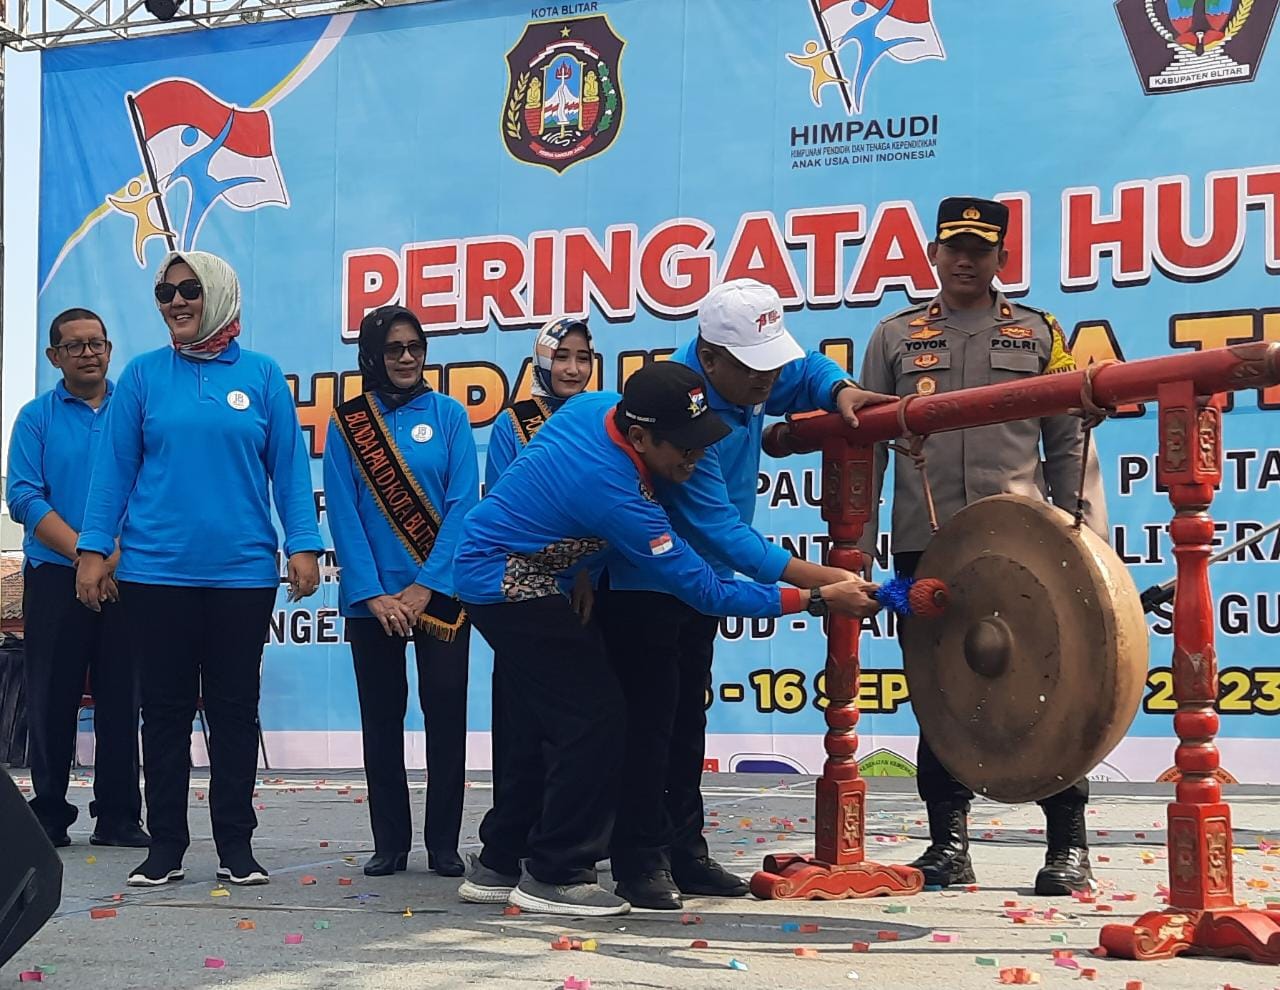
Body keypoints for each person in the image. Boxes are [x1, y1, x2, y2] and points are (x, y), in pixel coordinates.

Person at [453, 361, 882, 917]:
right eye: (683, 447)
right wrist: (819, 598)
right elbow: (708, 592)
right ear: (638, 437)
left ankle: (500, 863)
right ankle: (554, 874)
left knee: (553, 721)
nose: (695, 458)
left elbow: (538, 482)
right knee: (595, 718)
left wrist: (580, 565)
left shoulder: (592, 406)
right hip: (504, 583)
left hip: (535, 573)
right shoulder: (618, 495)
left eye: (701, 442)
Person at [595, 278, 895, 910]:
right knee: (648, 727)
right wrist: (825, 583)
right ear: (709, 358)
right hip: (647, 583)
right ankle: (638, 860)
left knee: (687, 723)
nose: (769, 383)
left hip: (702, 584)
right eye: (757, 370)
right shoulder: (683, 409)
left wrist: (840, 390)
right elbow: (726, 535)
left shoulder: (748, 370)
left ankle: (686, 852)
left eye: (771, 365)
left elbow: (804, 370)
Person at [858, 196, 1107, 896]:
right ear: (935, 255)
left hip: (1026, 549)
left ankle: (1067, 848)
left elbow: (1066, 440)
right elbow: (864, 444)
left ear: (1002, 259)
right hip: (922, 552)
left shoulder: (1037, 333)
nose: (966, 260)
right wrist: (857, 542)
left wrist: (1085, 534)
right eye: (953, 248)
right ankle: (947, 845)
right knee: (936, 689)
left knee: (1055, 686)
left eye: (981, 249)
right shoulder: (894, 337)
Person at [75, 250, 323, 888]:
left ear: (218, 294)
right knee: (162, 711)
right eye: (164, 293)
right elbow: (113, 472)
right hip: (155, 575)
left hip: (241, 575)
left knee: (236, 711)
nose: (176, 301)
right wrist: (93, 550)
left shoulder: (263, 376)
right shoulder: (142, 377)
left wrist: (302, 543)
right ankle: (166, 849)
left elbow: (289, 470)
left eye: (188, 289)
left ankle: (236, 847)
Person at [323, 305, 478, 879]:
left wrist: (423, 588)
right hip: (373, 602)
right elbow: (343, 512)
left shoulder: (450, 415)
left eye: (415, 346)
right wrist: (374, 593)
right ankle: (389, 842)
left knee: (446, 716)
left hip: (439, 595)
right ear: (372, 356)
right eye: (394, 349)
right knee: (381, 721)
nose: (407, 357)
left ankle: (443, 843)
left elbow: (464, 506)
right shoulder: (348, 423)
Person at [5, 308, 146, 849]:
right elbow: (23, 495)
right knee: (51, 699)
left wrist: (109, 557)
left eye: (97, 343)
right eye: (76, 345)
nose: (89, 353)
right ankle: (49, 816)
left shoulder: (132, 412)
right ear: (53, 357)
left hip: (123, 575)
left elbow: (147, 489)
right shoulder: (35, 417)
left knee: (121, 697)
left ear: (110, 350)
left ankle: (118, 817)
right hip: (55, 577)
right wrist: (84, 554)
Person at [483, 317, 596, 807]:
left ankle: (575, 829)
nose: (573, 368)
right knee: (523, 717)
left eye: (583, 358)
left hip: (587, 590)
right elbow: (501, 513)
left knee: (579, 716)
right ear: (543, 360)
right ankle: (516, 833)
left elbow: (605, 508)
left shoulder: (600, 417)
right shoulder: (514, 423)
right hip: (524, 590)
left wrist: (588, 573)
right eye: (563, 357)